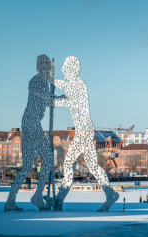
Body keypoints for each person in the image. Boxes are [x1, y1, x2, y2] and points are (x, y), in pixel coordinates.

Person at [51, 56, 119, 211]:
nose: (62, 70)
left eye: (65, 68)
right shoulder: (74, 85)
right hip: (86, 131)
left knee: (69, 164)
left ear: (72, 70)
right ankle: (110, 194)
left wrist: (51, 84)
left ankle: (59, 202)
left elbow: (67, 98)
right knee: (92, 166)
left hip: (83, 132)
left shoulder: (78, 84)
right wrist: (52, 95)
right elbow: (63, 96)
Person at [5, 55, 57, 211]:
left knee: (28, 166)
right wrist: (60, 97)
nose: (47, 69)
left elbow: (48, 100)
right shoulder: (37, 81)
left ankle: (11, 201)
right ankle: (37, 196)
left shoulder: (43, 82)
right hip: (32, 124)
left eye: (48, 67)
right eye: (45, 67)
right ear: (40, 67)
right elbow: (47, 100)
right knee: (48, 159)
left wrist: (55, 95)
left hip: (30, 124)